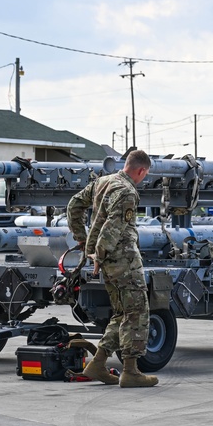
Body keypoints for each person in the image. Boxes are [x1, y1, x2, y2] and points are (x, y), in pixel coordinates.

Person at [69, 149, 158, 388]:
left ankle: (98, 363)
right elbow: (113, 227)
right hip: (123, 259)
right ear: (141, 170)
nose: (143, 178)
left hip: (107, 260)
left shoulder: (103, 182)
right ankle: (130, 371)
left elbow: (74, 205)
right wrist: (98, 253)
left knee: (122, 313)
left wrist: (81, 238)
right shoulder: (128, 191)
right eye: (145, 174)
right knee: (137, 311)